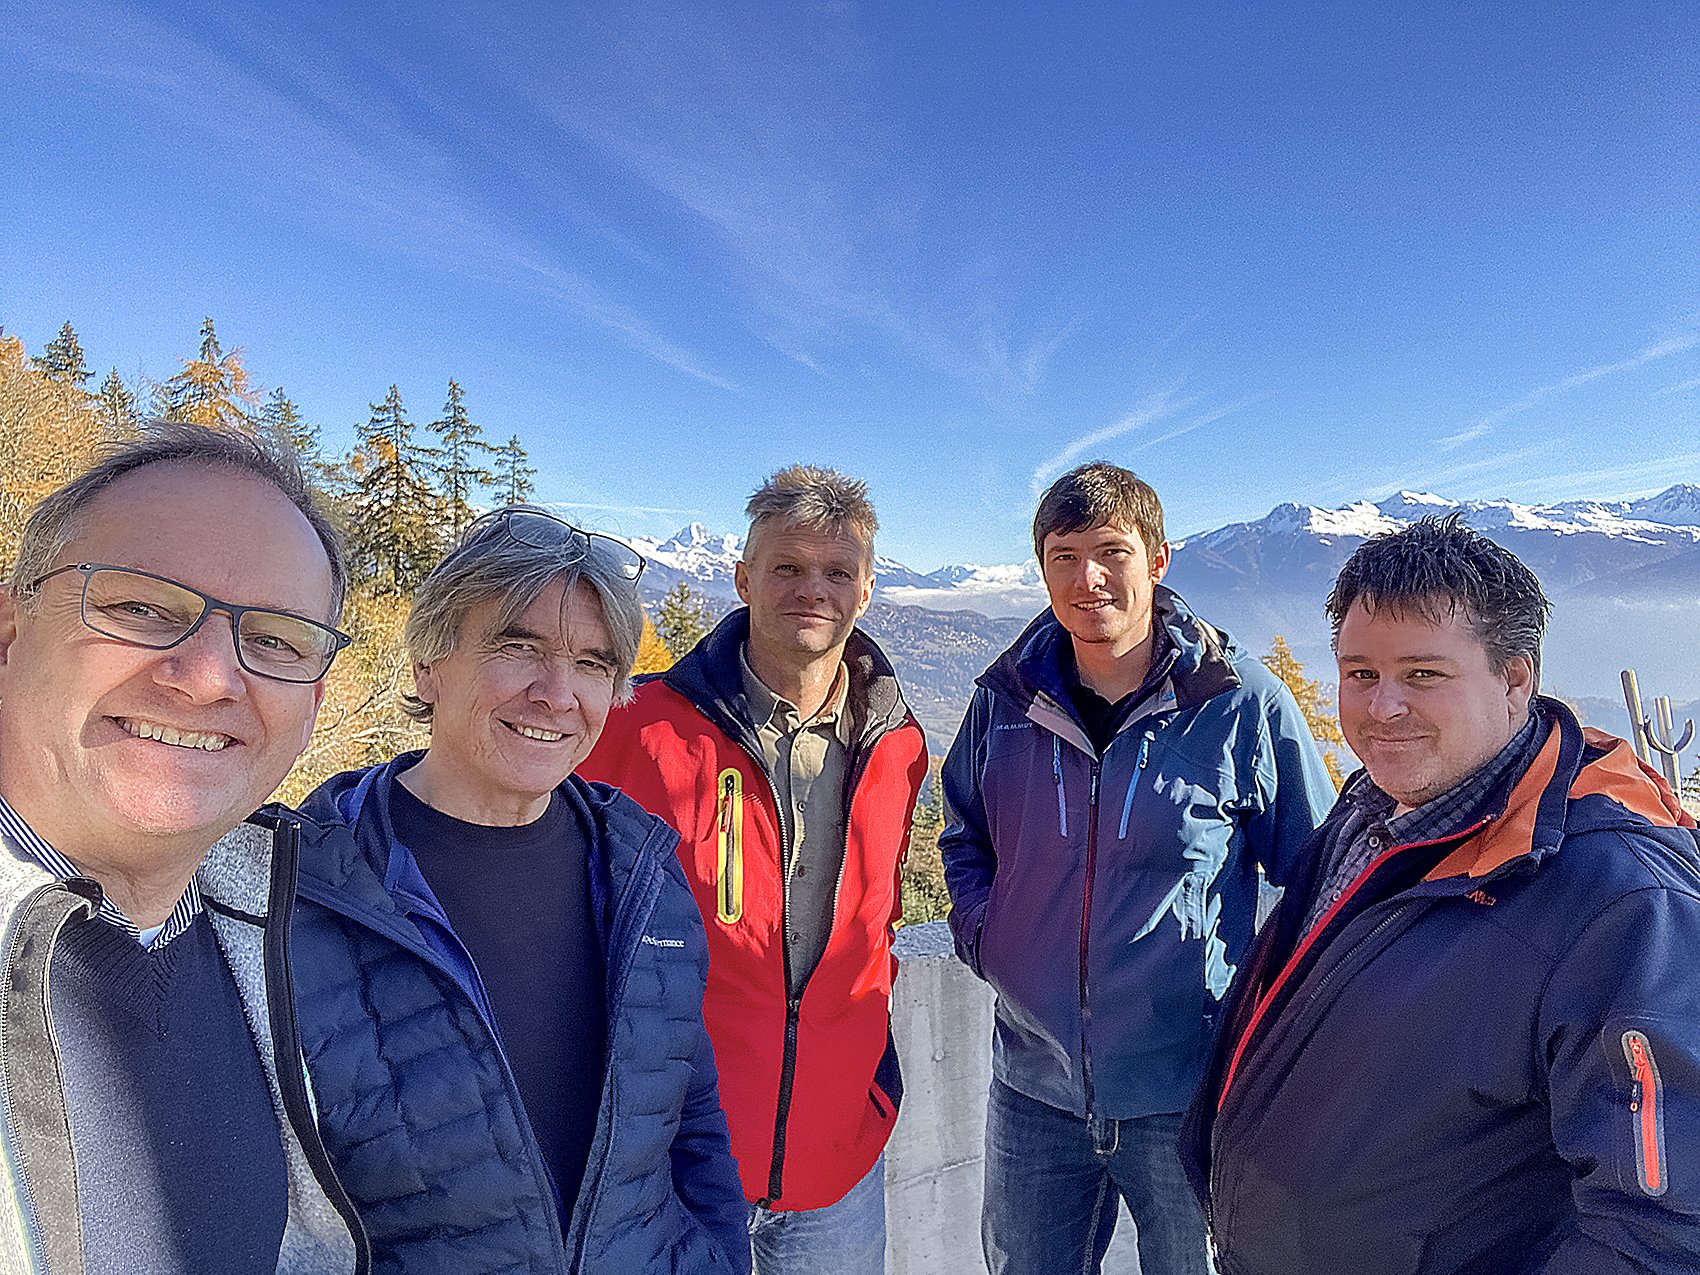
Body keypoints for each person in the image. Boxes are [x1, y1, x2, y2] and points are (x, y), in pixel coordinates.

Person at [1183, 515, 1700, 1274]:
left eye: (1423, 673)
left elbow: (1665, 1231)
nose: (1381, 707)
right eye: (1360, 674)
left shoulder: (1623, 902)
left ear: (1516, 677)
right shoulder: (1382, 807)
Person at [288, 506, 751, 1273]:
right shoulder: (307, 889)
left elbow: (688, 1112)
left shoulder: (641, 867)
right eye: (518, 647)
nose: (557, 693)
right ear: (428, 663)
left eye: (595, 663)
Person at [941, 461, 1336, 1275]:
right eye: (1063, 554)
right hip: (1032, 1088)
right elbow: (963, 832)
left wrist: (1266, 1018)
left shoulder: (1238, 701)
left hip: (1187, 1094)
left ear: (1158, 560)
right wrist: (989, 938)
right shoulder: (1006, 701)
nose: (1088, 579)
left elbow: (1323, 873)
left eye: (1111, 552)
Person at [0, 424, 363, 1273]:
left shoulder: (285, 936)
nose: (207, 675)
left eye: (274, 639)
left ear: (313, 704)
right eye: (139, 606)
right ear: (10, 632)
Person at [580, 464, 928, 1274]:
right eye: (788, 567)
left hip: (838, 1161)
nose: (814, 589)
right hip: (675, 1161)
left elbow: (878, 924)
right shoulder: (637, 728)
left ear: (867, 590)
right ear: (743, 579)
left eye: (837, 572)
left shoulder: (899, 746)